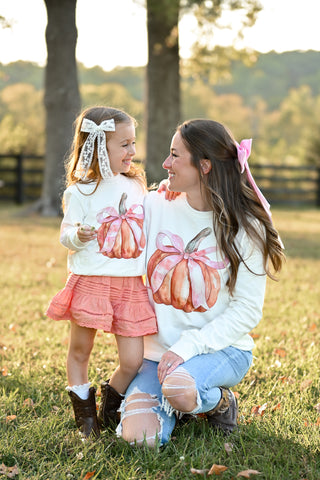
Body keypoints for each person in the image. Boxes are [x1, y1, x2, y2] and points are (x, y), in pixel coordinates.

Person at [115, 118, 285, 447]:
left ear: (204, 166)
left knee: (179, 387)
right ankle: (179, 403)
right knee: (139, 440)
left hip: (222, 350)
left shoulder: (246, 227)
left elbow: (248, 310)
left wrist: (188, 348)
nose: (165, 164)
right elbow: (112, 212)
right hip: (157, 356)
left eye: (175, 156)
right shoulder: (155, 206)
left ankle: (218, 402)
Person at [46, 106, 157, 438]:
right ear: (97, 146)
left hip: (129, 285)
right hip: (91, 283)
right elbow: (66, 235)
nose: (132, 151)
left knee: (133, 360)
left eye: (133, 143)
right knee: (80, 351)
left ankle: (110, 406)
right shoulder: (79, 192)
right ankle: (86, 419)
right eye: (124, 144)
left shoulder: (136, 186)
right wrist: (77, 236)